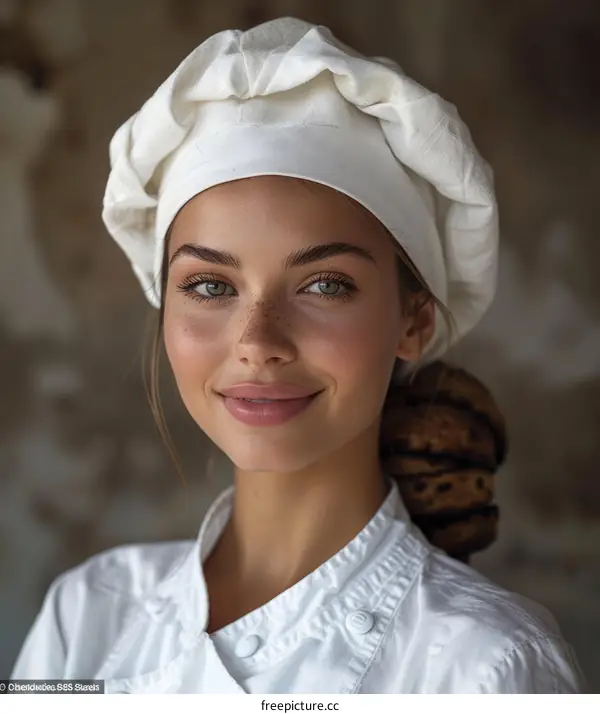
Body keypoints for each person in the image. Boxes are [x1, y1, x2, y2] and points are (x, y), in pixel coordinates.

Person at [10, 17, 586, 693]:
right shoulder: (88, 616)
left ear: (414, 320)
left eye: (324, 285)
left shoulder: (489, 668)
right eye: (209, 286)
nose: (257, 343)